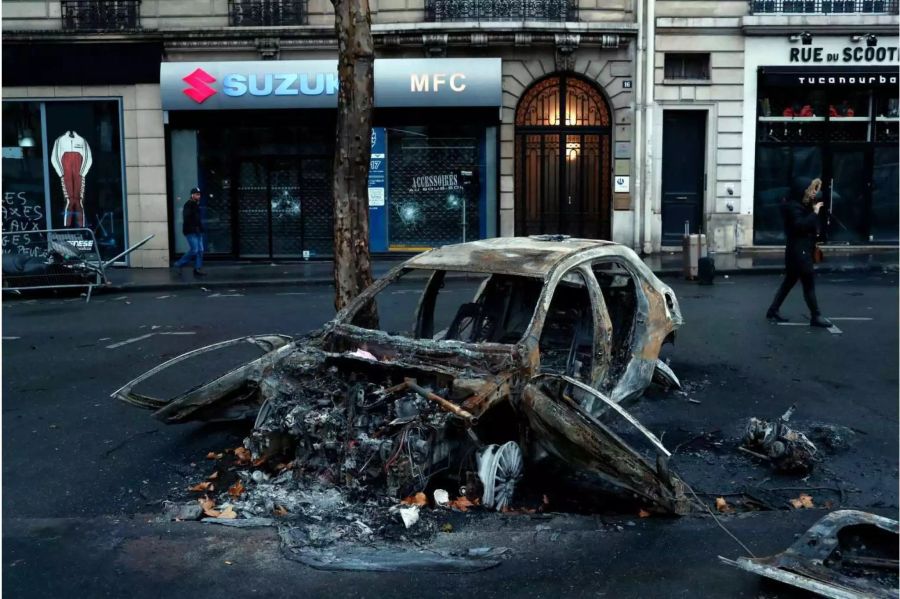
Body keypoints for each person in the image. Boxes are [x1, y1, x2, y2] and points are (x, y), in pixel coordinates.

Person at [766, 178, 831, 327]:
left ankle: (773, 310)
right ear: (803, 190)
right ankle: (816, 315)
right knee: (808, 282)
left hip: (800, 250)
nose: (814, 192)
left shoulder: (802, 205)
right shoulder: (793, 207)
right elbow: (799, 226)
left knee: (789, 281)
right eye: (811, 189)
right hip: (799, 250)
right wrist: (814, 213)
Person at [173, 187, 206, 277]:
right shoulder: (189, 204)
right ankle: (178, 264)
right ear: (192, 195)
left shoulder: (196, 204)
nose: (198, 196)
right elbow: (187, 218)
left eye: (199, 194)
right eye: (197, 194)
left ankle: (197, 268)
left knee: (200, 250)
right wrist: (194, 227)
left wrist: (200, 228)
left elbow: (197, 219)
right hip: (191, 231)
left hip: (197, 231)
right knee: (194, 250)